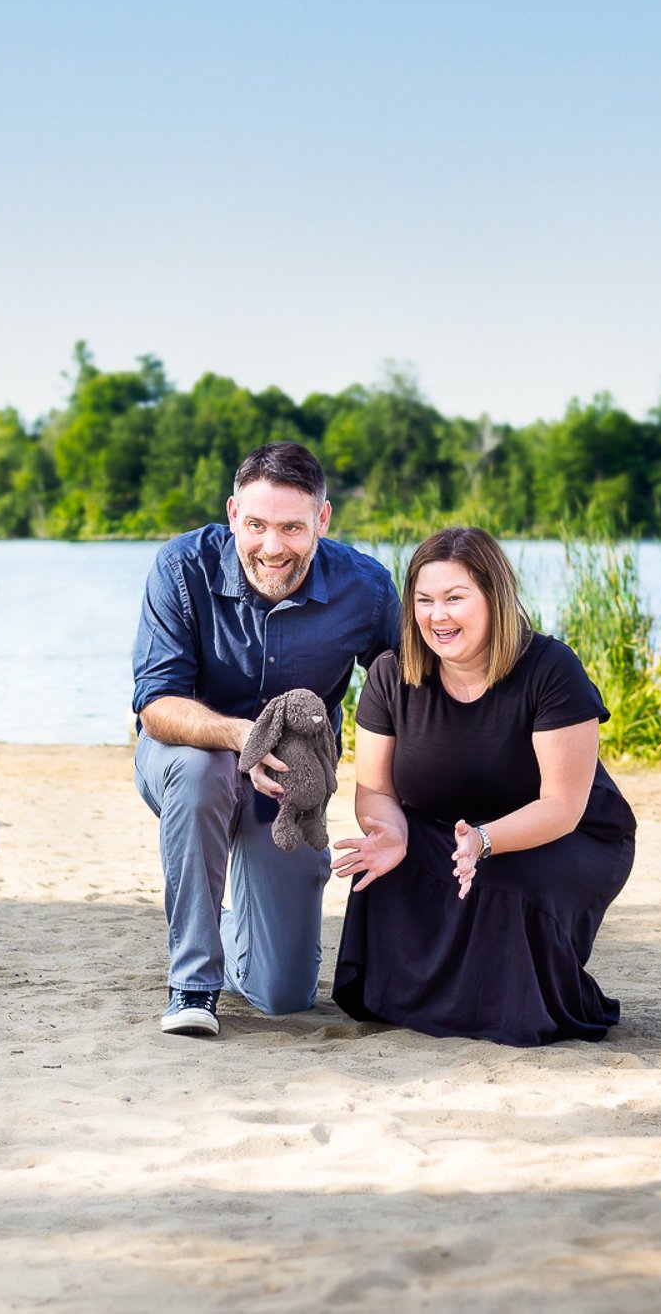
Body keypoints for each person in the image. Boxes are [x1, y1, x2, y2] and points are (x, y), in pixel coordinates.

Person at [132, 442, 400, 1036]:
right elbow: (156, 704)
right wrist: (241, 737)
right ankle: (193, 985)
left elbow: (408, 698)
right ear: (232, 514)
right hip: (184, 765)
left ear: (322, 521)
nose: (272, 547)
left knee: (285, 995)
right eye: (255, 525)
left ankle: (229, 924)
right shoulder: (181, 567)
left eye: (291, 527)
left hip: (289, 789)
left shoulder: (367, 588)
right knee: (205, 774)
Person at [330, 526, 635, 1044]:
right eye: (424, 600)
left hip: (561, 834)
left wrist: (484, 841)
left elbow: (563, 803)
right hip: (444, 828)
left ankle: (519, 1002)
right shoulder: (389, 675)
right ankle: (423, 1002)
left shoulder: (551, 669)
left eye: (455, 598)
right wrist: (391, 833)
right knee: (386, 872)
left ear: (494, 597)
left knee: (501, 886)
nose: (438, 615)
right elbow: (376, 790)